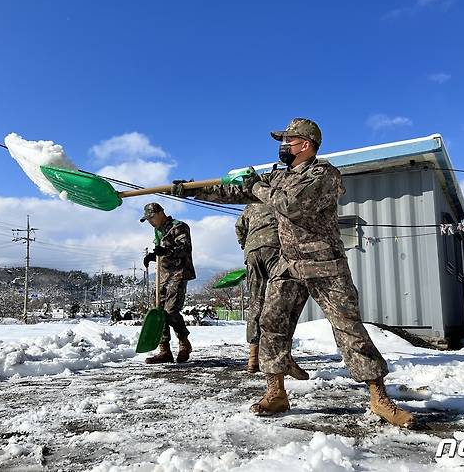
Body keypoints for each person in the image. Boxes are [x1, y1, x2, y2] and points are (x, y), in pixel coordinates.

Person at [172, 118, 415, 428]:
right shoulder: (278, 176)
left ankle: (379, 398)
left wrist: (256, 186)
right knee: (271, 323)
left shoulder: (323, 174)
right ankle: (276, 393)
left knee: (348, 328)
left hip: (323, 263)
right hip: (289, 264)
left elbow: (291, 205)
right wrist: (193, 190)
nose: (282, 145)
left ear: (306, 144)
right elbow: (235, 192)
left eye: (287, 139)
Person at [235, 203, 308, 380]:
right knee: (280, 301)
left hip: (252, 251)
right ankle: (283, 356)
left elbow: (239, 227)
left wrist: (247, 244)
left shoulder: (250, 206)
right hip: (275, 247)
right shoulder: (278, 196)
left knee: (256, 302)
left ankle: (253, 357)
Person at [141, 202, 196, 364]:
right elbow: (161, 251)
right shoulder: (158, 231)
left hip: (179, 273)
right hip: (163, 275)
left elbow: (185, 248)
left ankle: (184, 342)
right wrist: (153, 255)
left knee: (171, 311)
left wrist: (166, 251)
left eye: (151, 217)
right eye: (147, 219)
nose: (150, 221)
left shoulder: (178, 227)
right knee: (158, 310)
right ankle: (164, 350)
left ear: (160, 213)